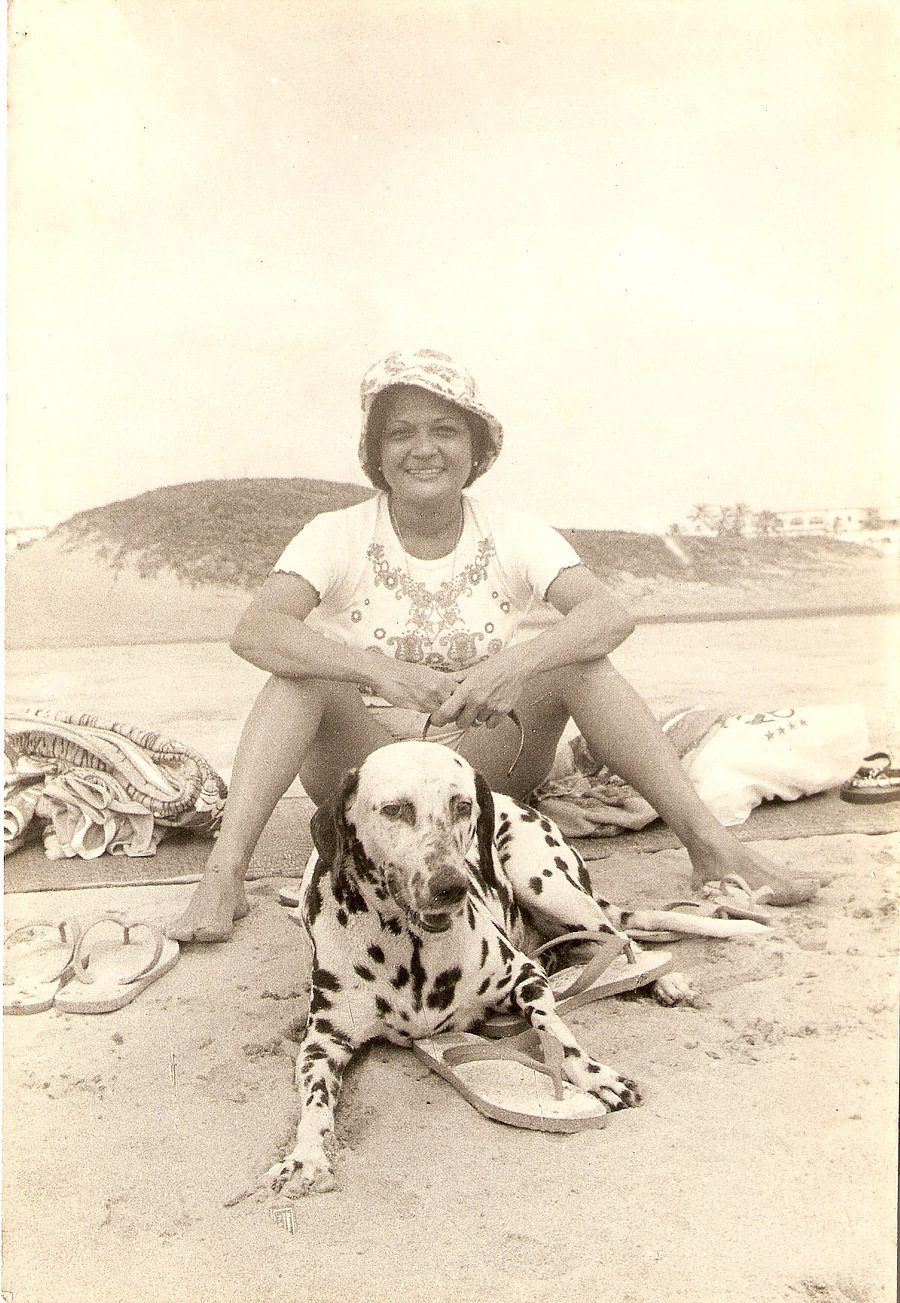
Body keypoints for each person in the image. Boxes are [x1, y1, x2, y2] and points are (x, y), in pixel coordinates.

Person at [169, 348, 817, 943]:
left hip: (485, 762)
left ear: (475, 449)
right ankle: (224, 877)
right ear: (376, 453)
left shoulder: (513, 532)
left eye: (445, 430)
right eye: (401, 432)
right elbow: (256, 629)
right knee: (298, 677)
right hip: (367, 764)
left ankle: (713, 851)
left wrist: (514, 665)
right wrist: (384, 672)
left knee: (579, 662)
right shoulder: (335, 533)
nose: (424, 448)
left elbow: (607, 614)